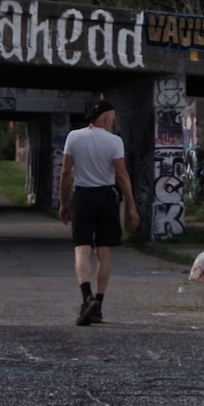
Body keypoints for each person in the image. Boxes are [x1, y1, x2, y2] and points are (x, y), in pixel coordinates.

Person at [58, 98, 139, 325]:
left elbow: (65, 172)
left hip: (83, 196)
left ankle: (87, 297)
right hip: (107, 197)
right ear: (104, 118)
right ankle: (99, 307)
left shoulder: (74, 137)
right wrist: (132, 207)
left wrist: (63, 203)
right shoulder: (115, 141)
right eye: (111, 119)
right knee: (104, 253)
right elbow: (122, 175)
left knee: (82, 250)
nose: (112, 123)